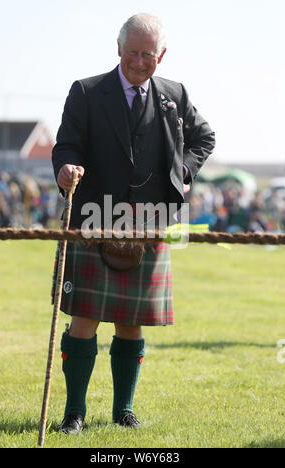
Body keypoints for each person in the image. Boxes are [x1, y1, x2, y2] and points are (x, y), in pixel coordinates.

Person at [51, 12, 215, 434]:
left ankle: (123, 410)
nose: (140, 61)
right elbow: (67, 143)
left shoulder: (174, 94)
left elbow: (204, 138)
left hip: (149, 222)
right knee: (84, 316)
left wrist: (181, 173)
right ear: (118, 48)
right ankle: (74, 413)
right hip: (95, 217)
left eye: (148, 54)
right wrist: (67, 169)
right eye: (133, 52)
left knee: (131, 319)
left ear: (161, 54)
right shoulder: (87, 92)